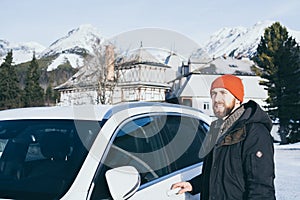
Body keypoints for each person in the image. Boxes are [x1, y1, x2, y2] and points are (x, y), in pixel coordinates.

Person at [171, 74, 276, 200]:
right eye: (213, 93)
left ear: (237, 98)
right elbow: (216, 173)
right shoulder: (216, 129)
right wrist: (193, 185)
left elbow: (261, 188)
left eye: (223, 93)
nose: (217, 99)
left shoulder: (254, 131)